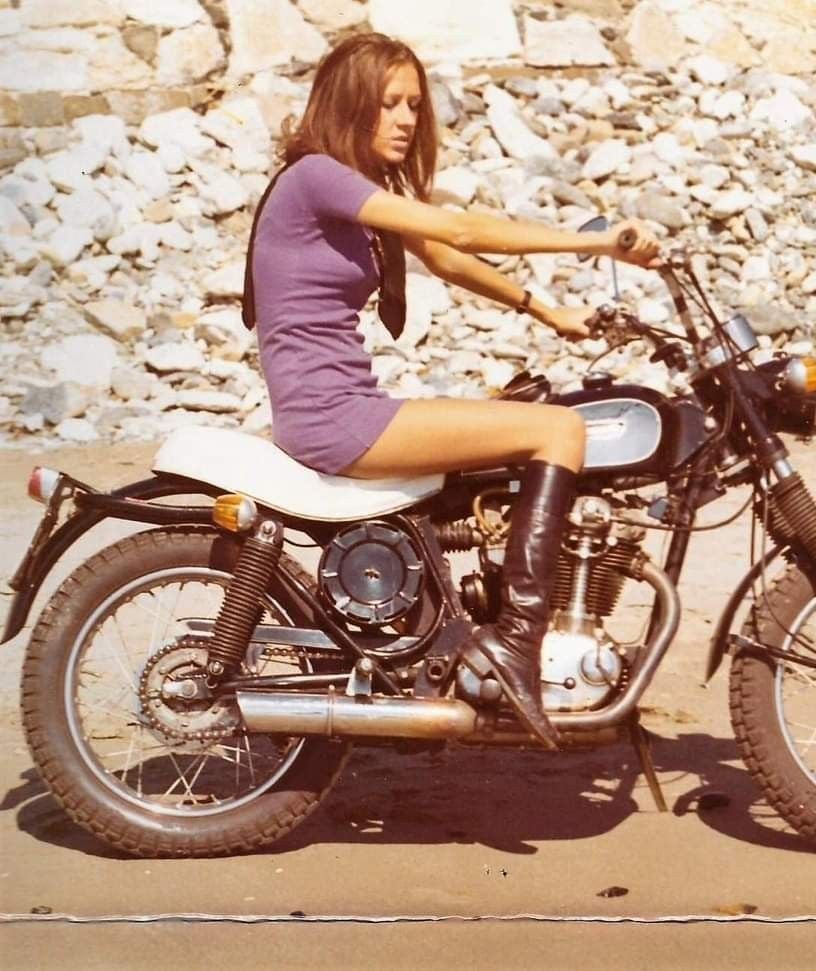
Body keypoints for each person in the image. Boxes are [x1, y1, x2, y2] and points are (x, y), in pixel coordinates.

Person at [249, 32, 660, 750]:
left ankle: (476, 623)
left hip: (342, 409)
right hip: (335, 417)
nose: (407, 119)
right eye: (389, 103)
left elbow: (443, 257)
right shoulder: (317, 177)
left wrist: (547, 311)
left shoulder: (348, 189)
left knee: (515, 430)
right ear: (350, 105)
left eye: (414, 104)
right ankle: (516, 647)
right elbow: (459, 229)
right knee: (558, 429)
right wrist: (596, 243)